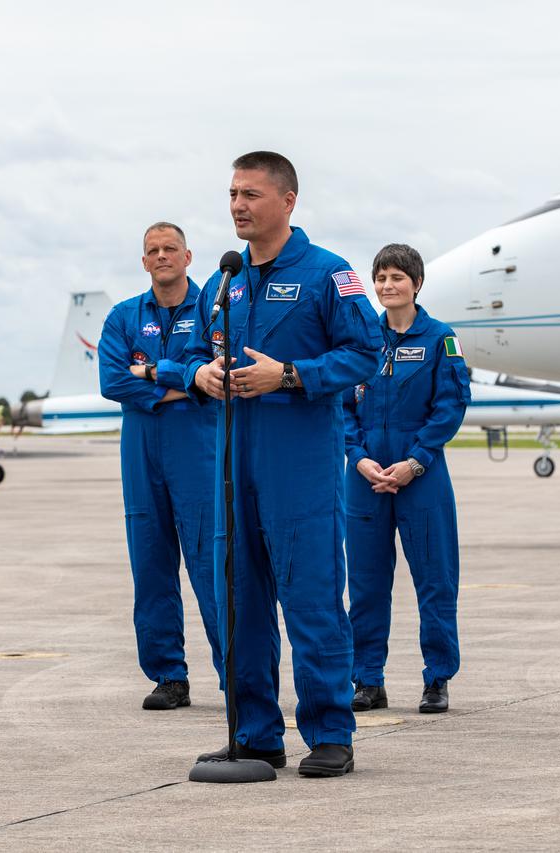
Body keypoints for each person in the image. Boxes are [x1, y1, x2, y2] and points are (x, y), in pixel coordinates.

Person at [184, 151, 382, 777]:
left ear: (288, 201)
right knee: (235, 600)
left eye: (251, 194)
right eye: (232, 194)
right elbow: (195, 350)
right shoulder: (226, 281)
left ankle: (330, 734)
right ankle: (255, 733)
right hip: (232, 465)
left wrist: (292, 374)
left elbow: (366, 352)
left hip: (300, 466)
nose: (238, 205)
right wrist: (200, 373)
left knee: (312, 598)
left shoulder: (329, 275)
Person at [98, 222, 224, 711]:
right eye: (153, 250)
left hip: (199, 449)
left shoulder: (212, 309)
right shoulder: (123, 317)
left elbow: (217, 369)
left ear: (189, 256)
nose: (162, 256)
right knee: (150, 564)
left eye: (170, 248)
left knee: (212, 566)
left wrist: (152, 373)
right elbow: (113, 381)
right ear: (144, 261)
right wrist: (185, 385)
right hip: (142, 452)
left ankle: (235, 674)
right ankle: (169, 675)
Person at [343, 244, 471, 715]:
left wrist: (415, 462)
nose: (386, 286)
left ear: (416, 283)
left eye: (397, 277)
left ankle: (437, 678)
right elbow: (342, 407)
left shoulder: (440, 339)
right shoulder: (360, 340)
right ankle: (367, 680)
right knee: (366, 583)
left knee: (435, 581)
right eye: (380, 278)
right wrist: (358, 458)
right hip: (365, 477)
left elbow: (450, 406)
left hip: (422, 477)